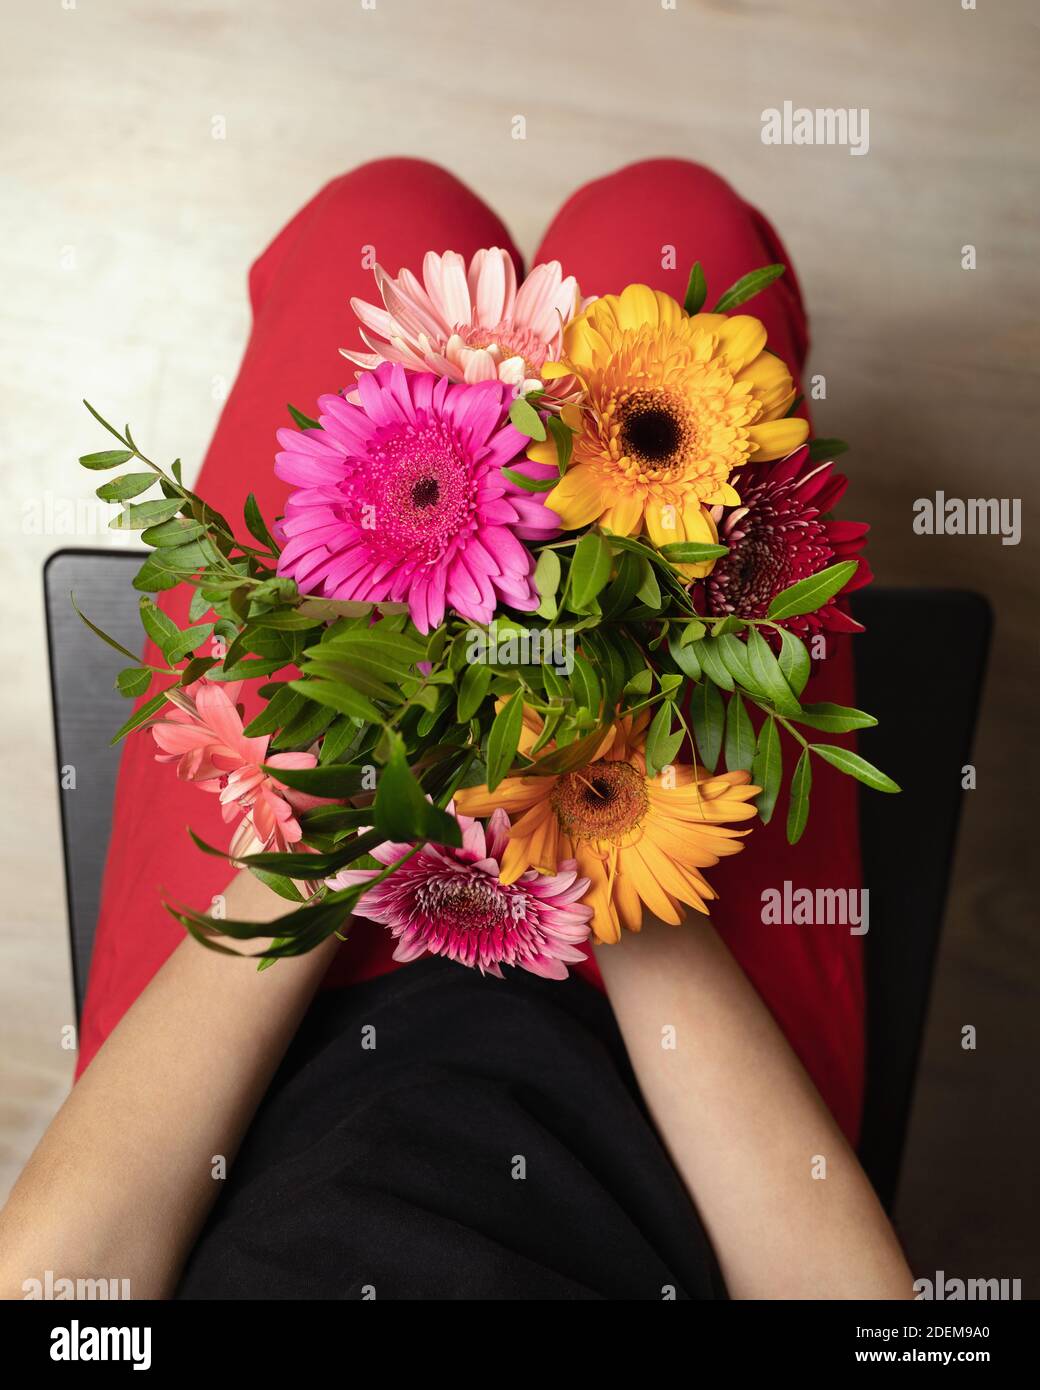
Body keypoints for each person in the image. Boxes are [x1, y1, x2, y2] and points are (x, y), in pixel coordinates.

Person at [0, 160, 909, 1299]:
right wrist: (606, 838)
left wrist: (310, 842)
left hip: (257, 1002)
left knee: (378, 219)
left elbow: (51, 1295)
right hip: (680, 1038)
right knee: (677, 228)